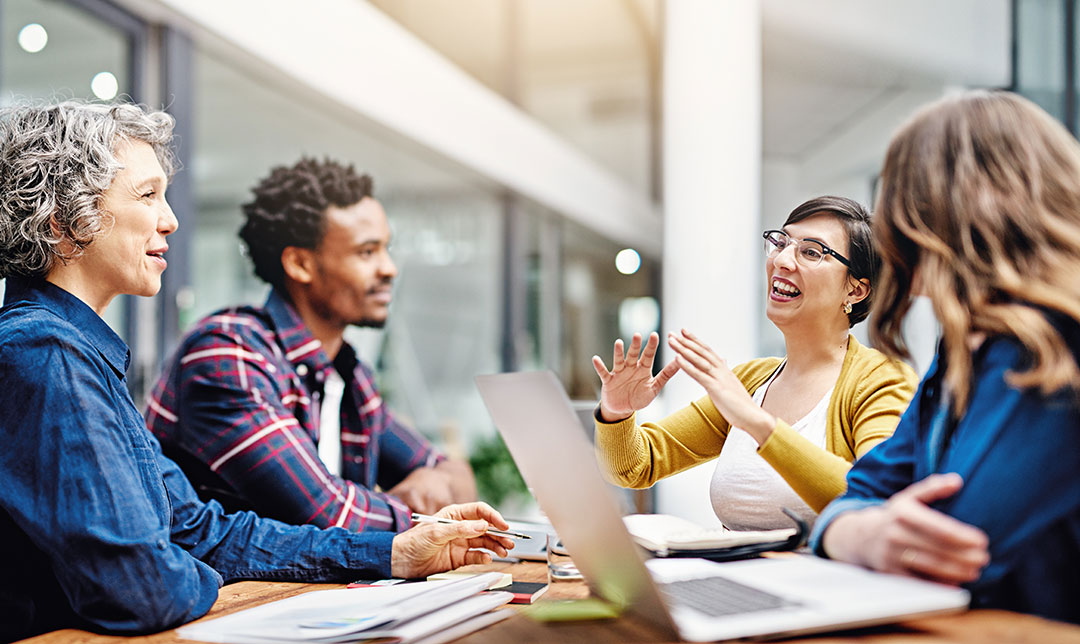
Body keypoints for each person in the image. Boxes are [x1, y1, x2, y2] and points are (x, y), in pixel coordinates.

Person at [0, 101, 511, 641]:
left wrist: (395, 551)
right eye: (148, 195)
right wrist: (184, 564)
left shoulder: (75, 353)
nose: (170, 219)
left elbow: (198, 531)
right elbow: (147, 587)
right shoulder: (46, 352)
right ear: (63, 222)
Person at [810, 91, 1080, 623]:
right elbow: (860, 490)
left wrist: (868, 529)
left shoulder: (1056, 344)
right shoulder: (958, 355)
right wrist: (860, 531)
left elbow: (957, 542)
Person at [145, 157, 475, 533]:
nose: (389, 269)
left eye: (386, 248)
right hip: (232, 591)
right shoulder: (228, 354)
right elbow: (330, 519)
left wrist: (436, 488)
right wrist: (421, 507)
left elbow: (454, 474)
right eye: (366, 252)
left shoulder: (349, 375)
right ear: (300, 263)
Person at [592, 196, 918, 530]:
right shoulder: (752, 379)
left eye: (811, 251)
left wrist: (757, 423)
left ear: (856, 291)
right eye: (781, 242)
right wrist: (617, 413)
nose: (782, 260)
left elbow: (876, 499)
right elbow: (635, 466)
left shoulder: (882, 379)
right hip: (729, 580)